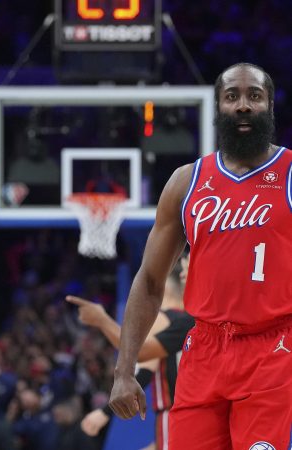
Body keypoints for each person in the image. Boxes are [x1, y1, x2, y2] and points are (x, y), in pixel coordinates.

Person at [109, 62, 292, 449]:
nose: (243, 105)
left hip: (271, 349)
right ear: (218, 108)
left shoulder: (290, 173)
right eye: (232, 97)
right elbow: (149, 280)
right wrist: (124, 371)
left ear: (270, 107)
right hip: (203, 351)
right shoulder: (186, 182)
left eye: (254, 96)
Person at [67, 259, 194, 449]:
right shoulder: (194, 321)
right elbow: (146, 371)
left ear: (164, 284)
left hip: (175, 414)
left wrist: (102, 320)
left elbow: (140, 358)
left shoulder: (163, 318)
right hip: (188, 417)